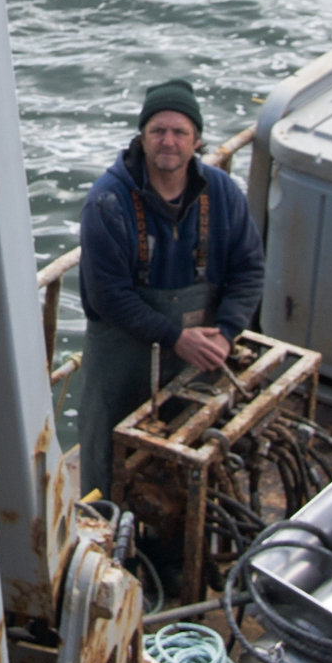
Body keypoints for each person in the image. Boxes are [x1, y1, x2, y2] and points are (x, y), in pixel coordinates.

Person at [74, 79, 264, 497]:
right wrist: (176, 337)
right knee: (109, 473)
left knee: (185, 475)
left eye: (180, 132)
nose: (168, 141)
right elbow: (108, 296)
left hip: (196, 362)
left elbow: (249, 269)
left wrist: (227, 334)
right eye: (158, 130)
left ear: (197, 140)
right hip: (121, 368)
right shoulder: (107, 203)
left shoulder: (223, 194)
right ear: (141, 136)